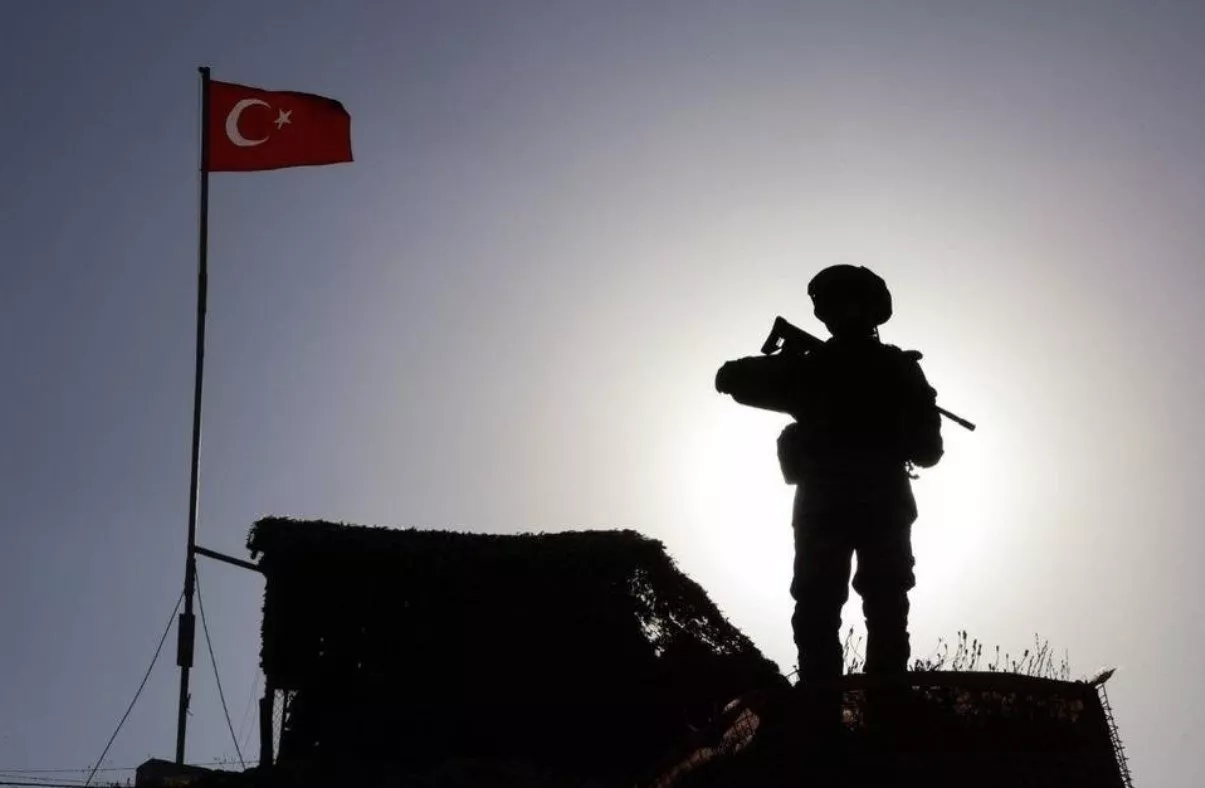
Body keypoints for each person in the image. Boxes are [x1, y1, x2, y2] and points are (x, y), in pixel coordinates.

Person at [714, 265, 943, 728]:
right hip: (841, 503)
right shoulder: (820, 367)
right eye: (830, 306)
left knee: (880, 603)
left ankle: (880, 710)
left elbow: (928, 450)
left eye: (843, 303)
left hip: (864, 503)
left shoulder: (892, 369)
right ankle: (826, 712)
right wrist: (796, 364)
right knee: (824, 606)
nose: (835, 314)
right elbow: (731, 378)